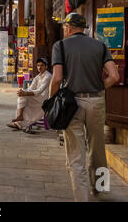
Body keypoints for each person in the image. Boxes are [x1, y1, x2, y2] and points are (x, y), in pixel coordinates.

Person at [49, 12, 119, 202]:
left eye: (65, 27)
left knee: (75, 154)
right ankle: (101, 189)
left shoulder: (60, 46)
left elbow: (56, 78)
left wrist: (51, 100)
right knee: (98, 148)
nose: (64, 29)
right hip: (96, 101)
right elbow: (114, 76)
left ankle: (82, 198)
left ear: (69, 27)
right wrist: (97, 88)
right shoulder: (100, 45)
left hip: (72, 104)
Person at [7, 58, 52, 134]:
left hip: (45, 99)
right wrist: (23, 91)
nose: (39, 67)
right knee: (22, 96)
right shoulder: (38, 77)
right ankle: (20, 120)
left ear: (46, 67)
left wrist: (26, 93)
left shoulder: (48, 76)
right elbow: (30, 88)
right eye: (38, 65)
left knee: (25, 97)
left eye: (42, 65)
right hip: (37, 97)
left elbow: (39, 91)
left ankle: (20, 121)